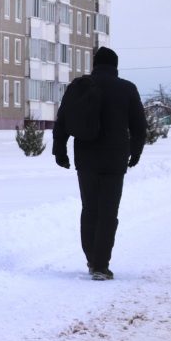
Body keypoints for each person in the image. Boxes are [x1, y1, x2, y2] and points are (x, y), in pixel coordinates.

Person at [52, 46, 147, 281]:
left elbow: (62, 120)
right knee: (108, 212)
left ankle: (91, 258)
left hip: (86, 158)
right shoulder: (126, 88)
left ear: (94, 65)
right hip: (115, 159)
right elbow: (139, 127)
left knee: (89, 209)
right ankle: (101, 265)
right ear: (115, 66)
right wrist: (135, 152)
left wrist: (60, 151)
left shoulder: (79, 87)